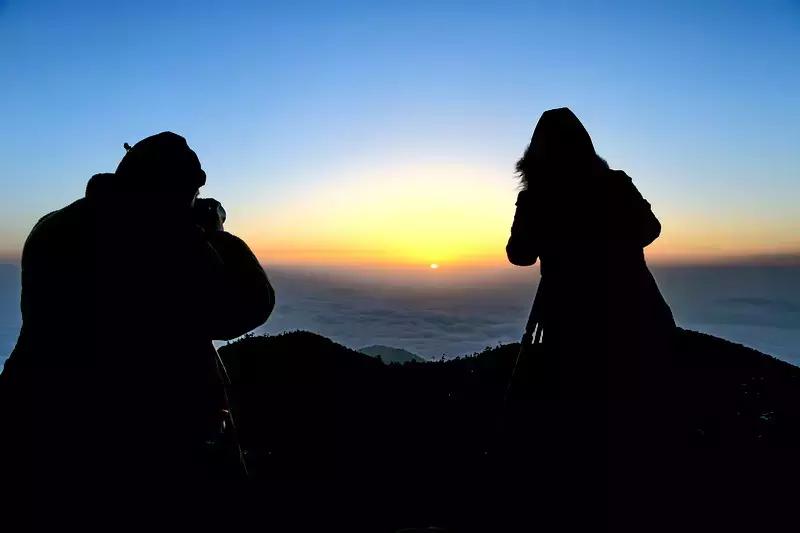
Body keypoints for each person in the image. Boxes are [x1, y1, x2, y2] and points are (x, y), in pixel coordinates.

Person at [0, 132, 274, 527]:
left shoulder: (55, 225)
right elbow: (247, 306)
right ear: (175, 189)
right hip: (148, 448)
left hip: (40, 426)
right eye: (192, 192)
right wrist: (216, 233)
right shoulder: (163, 234)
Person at [505, 108, 675, 529]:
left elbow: (519, 254)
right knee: (639, 425)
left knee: (582, 427)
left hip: (572, 328)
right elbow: (650, 229)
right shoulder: (615, 184)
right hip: (638, 315)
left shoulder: (539, 197)